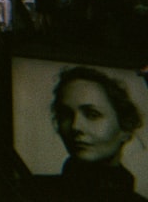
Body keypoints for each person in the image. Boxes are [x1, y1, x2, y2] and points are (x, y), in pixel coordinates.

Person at [23, 66, 146, 201]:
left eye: (92, 114)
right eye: (66, 115)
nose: (75, 126)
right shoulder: (31, 192)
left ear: (125, 128)